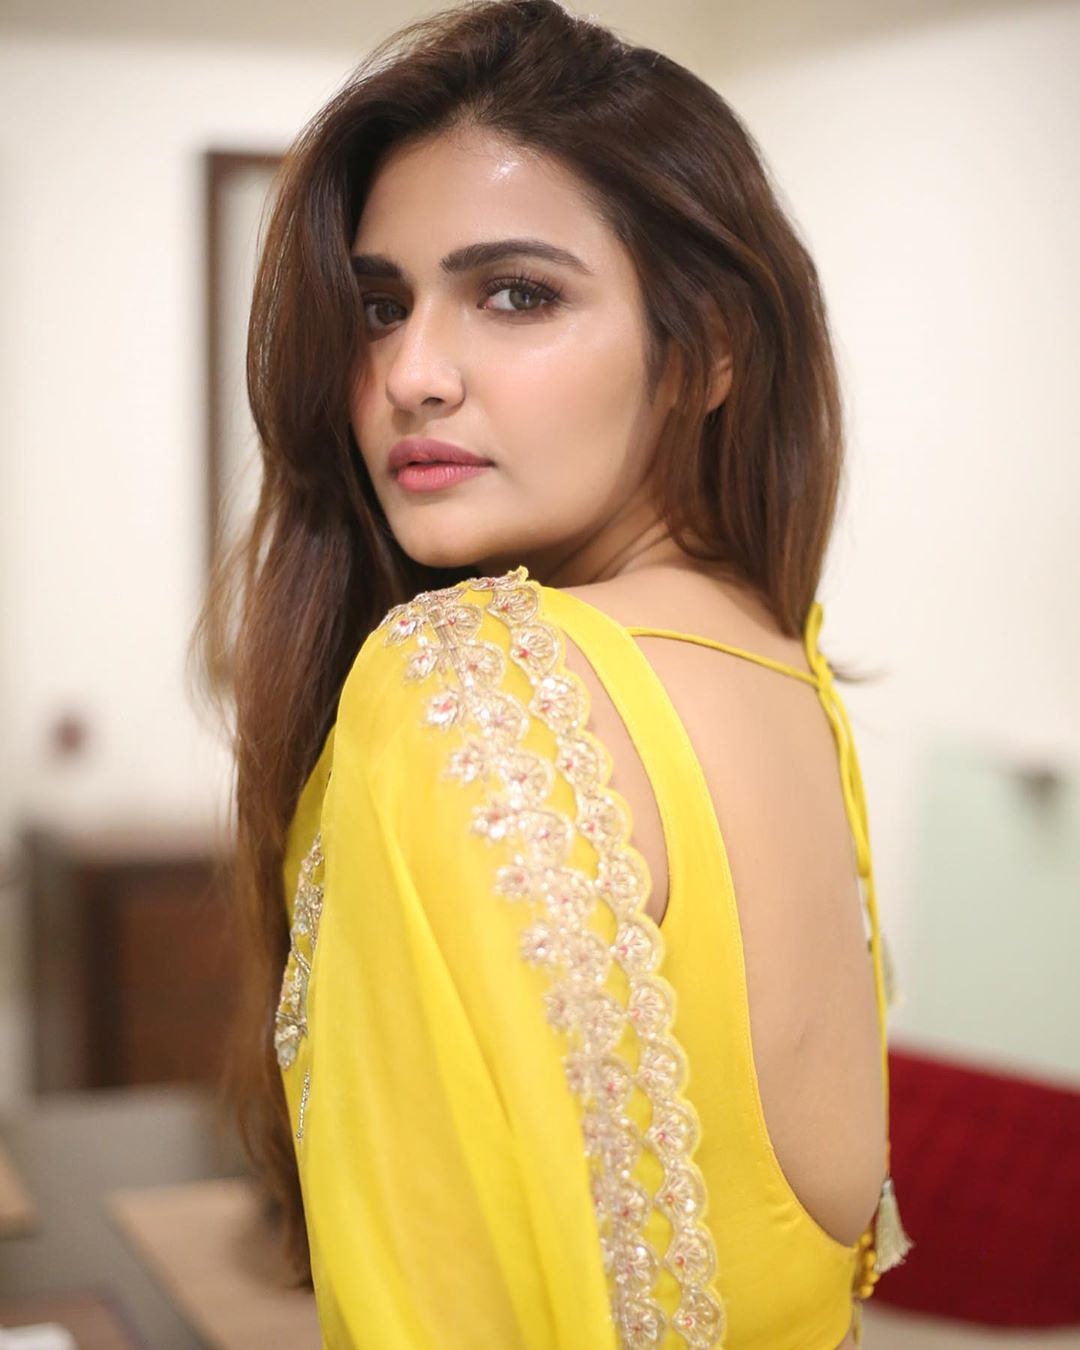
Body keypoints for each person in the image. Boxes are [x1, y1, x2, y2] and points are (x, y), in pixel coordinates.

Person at [196, 0, 913, 1344]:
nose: (410, 373)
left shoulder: (463, 684)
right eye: (379, 305)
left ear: (706, 348)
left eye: (517, 293)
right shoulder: (783, 665)